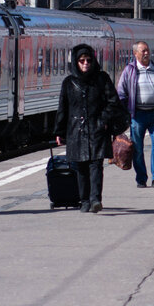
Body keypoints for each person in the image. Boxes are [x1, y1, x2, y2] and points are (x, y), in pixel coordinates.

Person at [54, 44, 121, 213]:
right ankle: (84, 200)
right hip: (76, 130)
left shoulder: (102, 79)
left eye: (89, 60)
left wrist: (103, 120)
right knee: (81, 167)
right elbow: (63, 108)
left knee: (96, 165)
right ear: (76, 63)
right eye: (81, 61)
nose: (85, 64)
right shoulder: (68, 83)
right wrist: (59, 132)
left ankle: (95, 199)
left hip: (97, 128)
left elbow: (113, 102)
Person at [115, 40, 154, 188]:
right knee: (138, 149)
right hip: (137, 115)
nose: (146, 53)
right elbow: (121, 93)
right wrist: (123, 112)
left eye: (147, 50)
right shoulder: (129, 71)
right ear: (135, 54)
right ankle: (141, 178)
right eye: (143, 51)